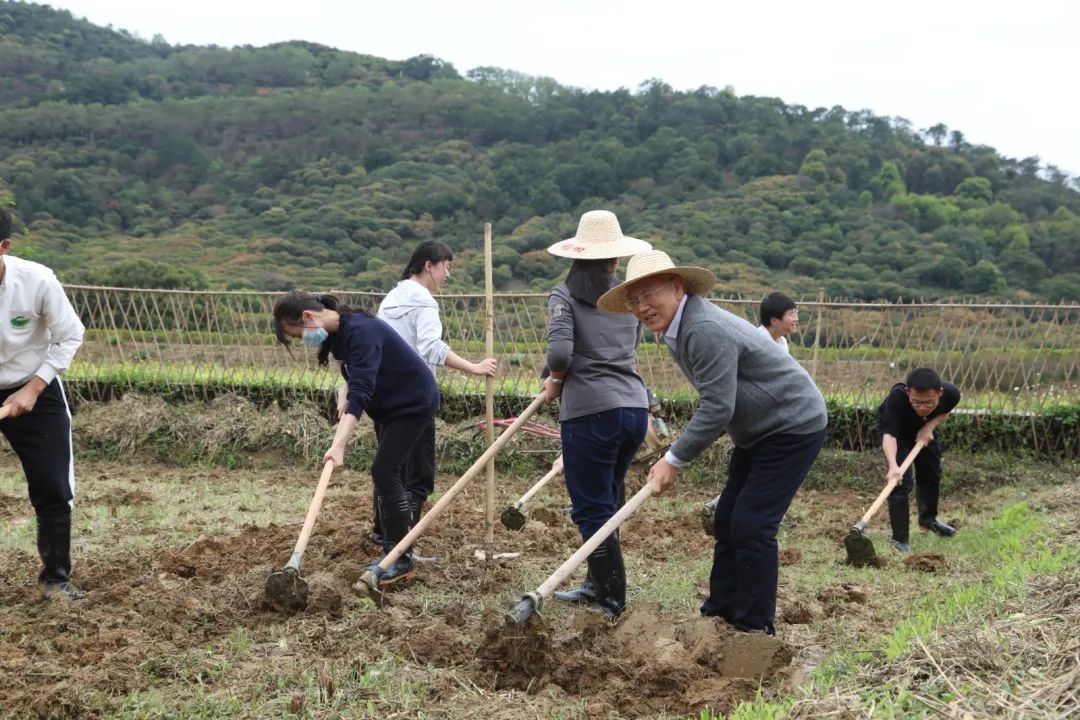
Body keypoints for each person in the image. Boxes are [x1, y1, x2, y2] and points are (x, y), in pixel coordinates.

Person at [598, 250, 827, 635]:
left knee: (752, 524)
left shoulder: (702, 328)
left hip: (792, 425)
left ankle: (753, 629)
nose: (642, 307)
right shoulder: (677, 326)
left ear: (676, 286)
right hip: (758, 431)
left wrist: (674, 458)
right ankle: (720, 612)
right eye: (634, 300)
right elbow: (721, 399)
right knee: (727, 519)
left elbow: (719, 405)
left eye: (649, 294)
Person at [272, 290, 440, 585]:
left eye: (298, 334)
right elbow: (358, 376)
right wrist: (344, 389)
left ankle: (399, 558)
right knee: (390, 473)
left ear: (308, 317)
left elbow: (362, 392)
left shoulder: (361, 330)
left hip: (413, 403)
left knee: (384, 470)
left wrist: (338, 446)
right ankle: (390, 546)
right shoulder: (340, 331)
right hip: (390, 405)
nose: (303, 340)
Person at [541, 210, 653, 619]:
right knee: (609, 496)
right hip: (633, 410)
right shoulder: (627, 298)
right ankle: (594, 582)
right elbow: (621, 347)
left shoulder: (564, 296)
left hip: (591, 412)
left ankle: (611, 597)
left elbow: (559, 354)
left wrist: (555, 377)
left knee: (590, 507)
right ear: (614, 260)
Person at [368, 240, 497, 546]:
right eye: (446, 266)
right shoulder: (423, 300)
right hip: (414, 399)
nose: (448, 275)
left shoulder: (392, 297)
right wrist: (475, 367)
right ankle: (401, 544)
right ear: (429, 265)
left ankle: (382, 532)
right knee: (418, 478)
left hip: (386, 397)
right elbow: (431, 347)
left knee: (390, 469)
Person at [0, 206, 86, 600]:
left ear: (4, 247)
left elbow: (69, 335)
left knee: (53, 485)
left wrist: (33, 388)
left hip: (33, 383)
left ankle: (55, 578)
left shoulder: (36, 281)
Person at [876, 367, 960, 552]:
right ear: (908, 393)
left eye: (929, 403)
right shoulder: (897, 399)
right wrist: (893, 466)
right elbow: (889, 435)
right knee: (900, 483)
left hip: (923, 429)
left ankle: (928, 519)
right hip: (898, 434)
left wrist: (929, 426)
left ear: (940, 393)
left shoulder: (952, 394)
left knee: (931, 471)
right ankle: (900, 539)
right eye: (916, 402)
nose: (922, 407)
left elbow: (943, 413)